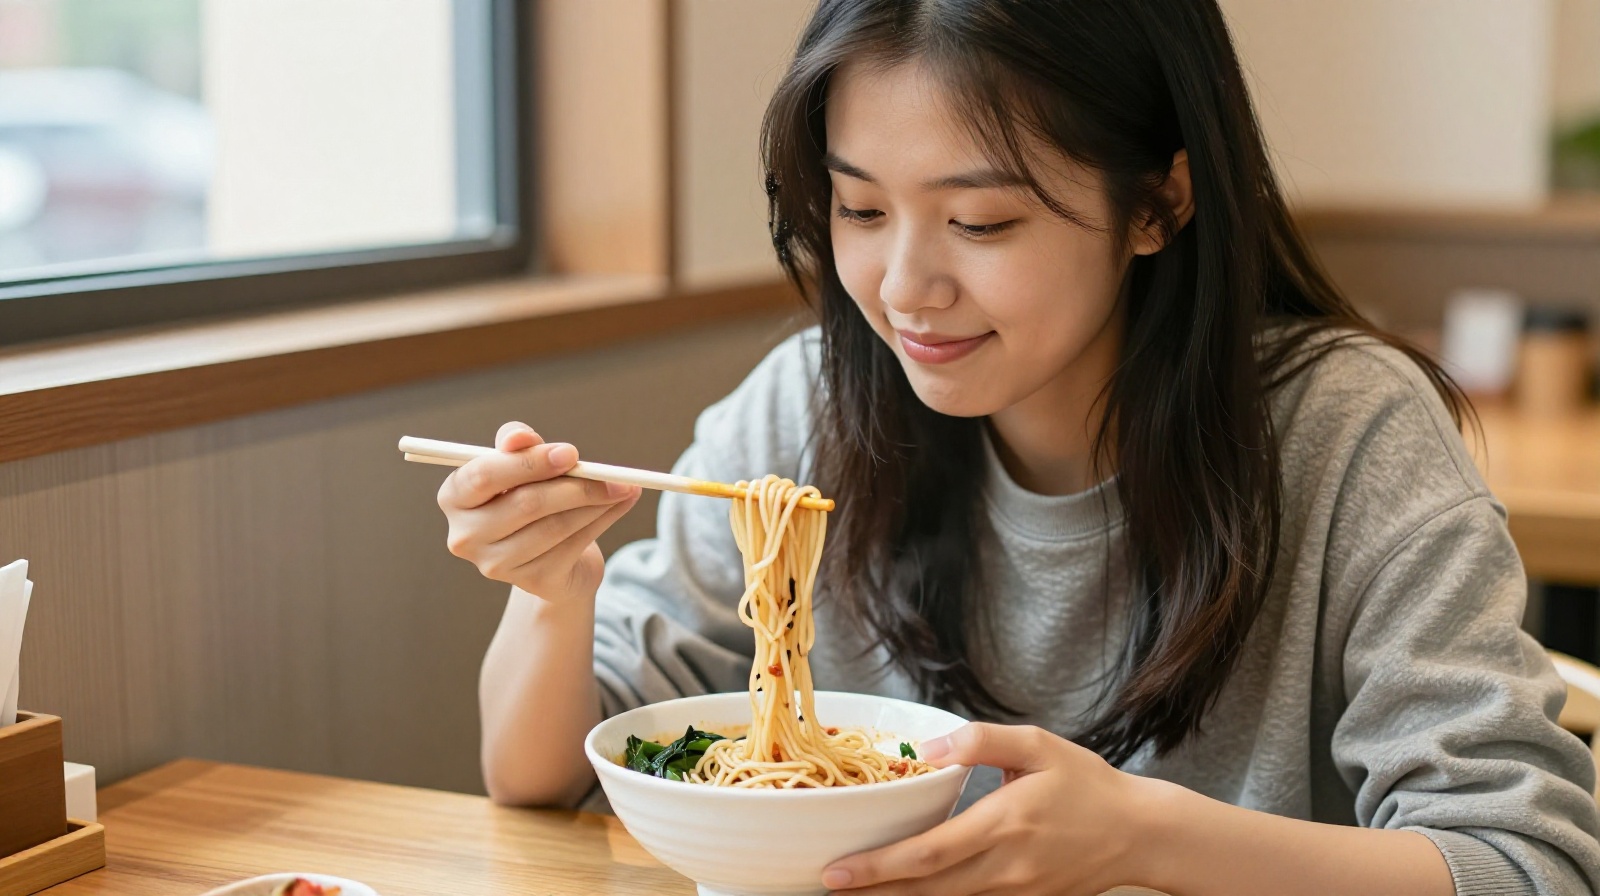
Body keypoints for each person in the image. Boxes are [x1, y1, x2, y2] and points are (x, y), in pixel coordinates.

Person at [434, 1, 1600, 893]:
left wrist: (1139, 834)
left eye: (981, 220)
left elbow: (1524, 858)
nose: (904, 288)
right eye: (859, 208)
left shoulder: (1346, 434)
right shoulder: (809, 412)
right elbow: (540, 775)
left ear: (1158, 204)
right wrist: (554, 586)